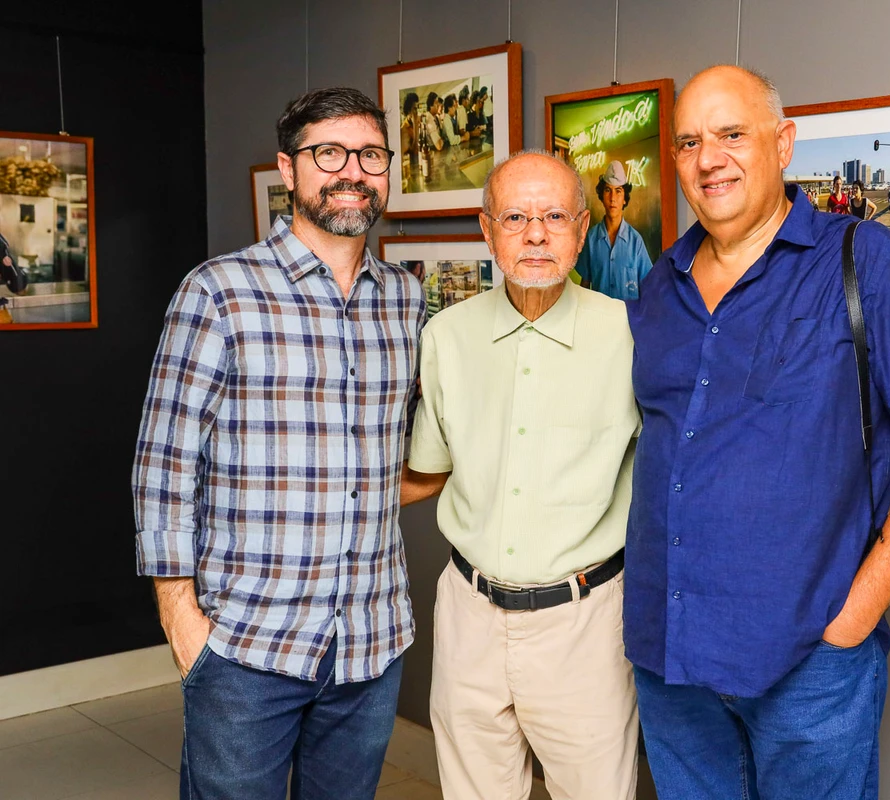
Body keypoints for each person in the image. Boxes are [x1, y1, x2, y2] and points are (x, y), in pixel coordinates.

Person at [625, 65, 890, 800]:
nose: (708, 158)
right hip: (670, 658)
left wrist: (852, 621)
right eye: (690, 141)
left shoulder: (868, 263)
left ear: (782, 143)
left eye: (732, 134)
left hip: (807, 666)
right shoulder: (659, 285)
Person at [132, 87, 422, 800]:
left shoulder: (406, 300)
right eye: (329, 153)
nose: (353, 170)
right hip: (245, 647)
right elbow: (164, 462)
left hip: (370, 644)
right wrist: (182, 622)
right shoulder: (218, 293)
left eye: (371, 155)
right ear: (288, 171)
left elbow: (416, 446)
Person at [402, 150, 641, 799]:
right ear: (487, 230)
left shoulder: (631, 336)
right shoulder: (446, 335)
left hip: (584, 623)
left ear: (582, 230)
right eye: (515, 216)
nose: (536, 234)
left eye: (554, 216)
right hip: (467, 617)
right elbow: (425, 472)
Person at [575, 160, 655, 300]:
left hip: (628, 318)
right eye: (608, 190)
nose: (613, 198)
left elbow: (648, 287)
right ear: (601, 196)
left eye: (618, 191)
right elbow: (585, 285)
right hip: (599, 317)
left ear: (625, 198)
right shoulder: (591, 239)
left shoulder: (636, 242)